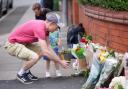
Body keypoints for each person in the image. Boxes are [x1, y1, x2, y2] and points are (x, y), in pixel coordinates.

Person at [4, 12, 68, 84]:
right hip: (12, 45)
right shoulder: (40, 28)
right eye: (57, 27)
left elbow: (48, 47)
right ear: (51, 24)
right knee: (34, 56)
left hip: (22, 43)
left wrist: (59, 61)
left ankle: (26, 71)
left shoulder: (46, 29)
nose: (57, 29)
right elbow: (46, 51)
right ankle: (21, 73)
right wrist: (60, 62)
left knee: (40, 51)